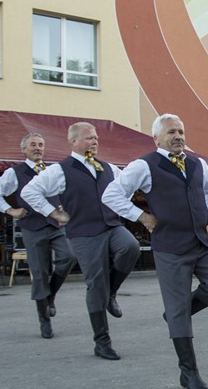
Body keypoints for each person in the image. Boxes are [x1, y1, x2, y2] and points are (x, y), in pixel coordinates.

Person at [102, 113, 208, 389]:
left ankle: (177, 312)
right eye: (172, 131)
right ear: (157, 138)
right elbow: (111, 195)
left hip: (201, 242)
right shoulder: (144, 165)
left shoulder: (197, 163)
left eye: (181, 131)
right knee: (178, 313)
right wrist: (141, 216)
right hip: (171, 247)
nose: (178, 136)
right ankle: (189, 372)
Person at [21, 122, 140, 360]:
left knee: (131, 247)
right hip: (84, 232)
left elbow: (127, 190)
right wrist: (52, 212)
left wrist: (121, 205)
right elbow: (29, 192)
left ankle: (112, 293)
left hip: (111, 224)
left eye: (95, 138)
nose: (94, 142)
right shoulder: (59, 170)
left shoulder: (109, 168)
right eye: (88, 138)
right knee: (95, 283)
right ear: (74, 141)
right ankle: (102, 342)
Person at [0, 133, 76, 338]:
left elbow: (64, 192)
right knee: (40, 272)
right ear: (24, 150)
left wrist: (62, 205)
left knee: (68, 257)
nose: (38, 148)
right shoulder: (14, 173)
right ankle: (44, 319)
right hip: (33, 228)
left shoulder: (52, 170)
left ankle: (50, 296)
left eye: (41, 145)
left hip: (55, 225)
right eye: (33, 145)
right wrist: (11, 211)